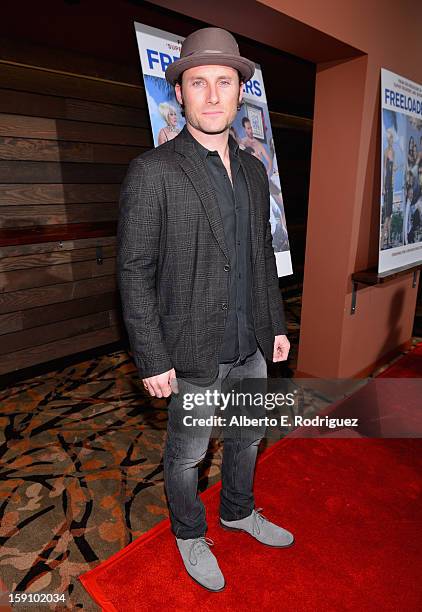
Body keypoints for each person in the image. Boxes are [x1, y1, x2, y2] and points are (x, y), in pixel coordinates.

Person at [117, 27, 293, 593]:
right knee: (188, 454)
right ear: (181, 94)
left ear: (240, 92)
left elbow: (261, 257)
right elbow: (134, 272)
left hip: (252, 343)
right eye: (199, 83)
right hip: (190, 351)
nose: (213, 95)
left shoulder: (252, 170)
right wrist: (150, 357)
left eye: (225, 82)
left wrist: (276, 327)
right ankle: (190, 532)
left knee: (246, 438)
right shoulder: (154, 171)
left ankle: (238, 510)